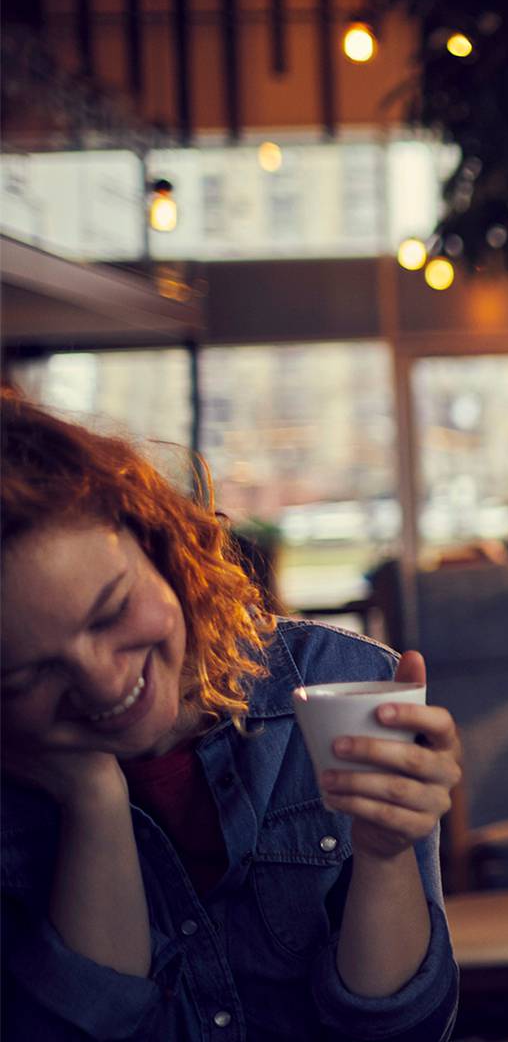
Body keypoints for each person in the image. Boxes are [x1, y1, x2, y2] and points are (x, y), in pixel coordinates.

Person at [0, 391, 464, 1041]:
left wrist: (386, 855)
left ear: (160, 549)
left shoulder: (340, 683)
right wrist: (93, 797)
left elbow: (404, 1029)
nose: (103, 683)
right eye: (30, 672)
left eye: (111, 611)